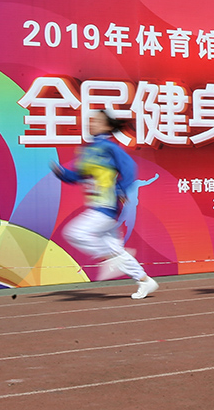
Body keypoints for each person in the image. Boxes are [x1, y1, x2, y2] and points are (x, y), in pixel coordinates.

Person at [50, 110, 159, 300]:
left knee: (75, 233)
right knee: (115, 249)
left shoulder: (109, 148)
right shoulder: (88, 150)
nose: (92, 123)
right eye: (91, 120)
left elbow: (130, 169)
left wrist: (120, 190)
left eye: (97, 121)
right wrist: (62, 173)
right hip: (96, 204)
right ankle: (144, 280)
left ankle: (111, 258)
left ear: (108, 126)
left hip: (108, 206)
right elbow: (78, 175)